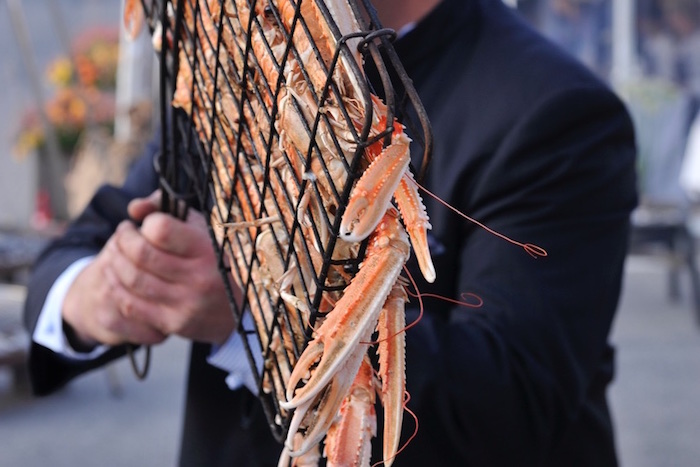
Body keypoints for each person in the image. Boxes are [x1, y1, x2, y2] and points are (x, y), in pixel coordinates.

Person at [23, 0, 637, 466]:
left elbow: (514, 400)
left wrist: (252, 314)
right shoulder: (252, 49)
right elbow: (71, 258)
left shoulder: (555, 109)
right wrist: (104, 294)